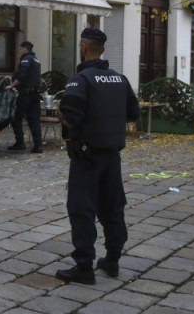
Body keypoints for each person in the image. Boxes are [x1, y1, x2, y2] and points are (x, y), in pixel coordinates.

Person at [55, 28, 140, 285]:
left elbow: (71, 118)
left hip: (86, 157)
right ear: (102, 49)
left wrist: (59, 112)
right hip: (112, 156)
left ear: (83, 47)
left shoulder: (79, 80)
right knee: (113, 208)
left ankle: (84, 267)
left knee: (81, 209)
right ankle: (112, 260)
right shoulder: (120, 79)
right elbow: (133, 115)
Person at [5, 41, 43, 153]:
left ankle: (20, 143)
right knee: (34, 120)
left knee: (16, 118)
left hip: (26, 95)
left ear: (25, 49)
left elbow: (22, 76)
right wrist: (12, 77)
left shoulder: (26, 59)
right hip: (35, 94)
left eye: (21, 48)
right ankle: (38, 145)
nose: (20, 50)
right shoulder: (35, 59)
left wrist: (11, 85)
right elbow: (23, 73)